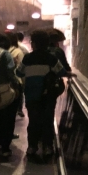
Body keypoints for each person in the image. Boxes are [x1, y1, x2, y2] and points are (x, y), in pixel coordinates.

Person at [21, 29, 65, 162]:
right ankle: (47, 148)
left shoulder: (27, 58)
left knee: (33, 121)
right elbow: (61, 72)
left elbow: (19, 72)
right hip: (47, 96)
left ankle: (32, 147)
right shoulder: (51, 58)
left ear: (34, 43)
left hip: (31, 96)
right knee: (47, 121)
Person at [7, 33, 25, 121]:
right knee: (14, 104)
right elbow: (22, 68)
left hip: (5, 81)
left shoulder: (3, 52)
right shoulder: (18, 52)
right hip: (16, 81)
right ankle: (19, 109)